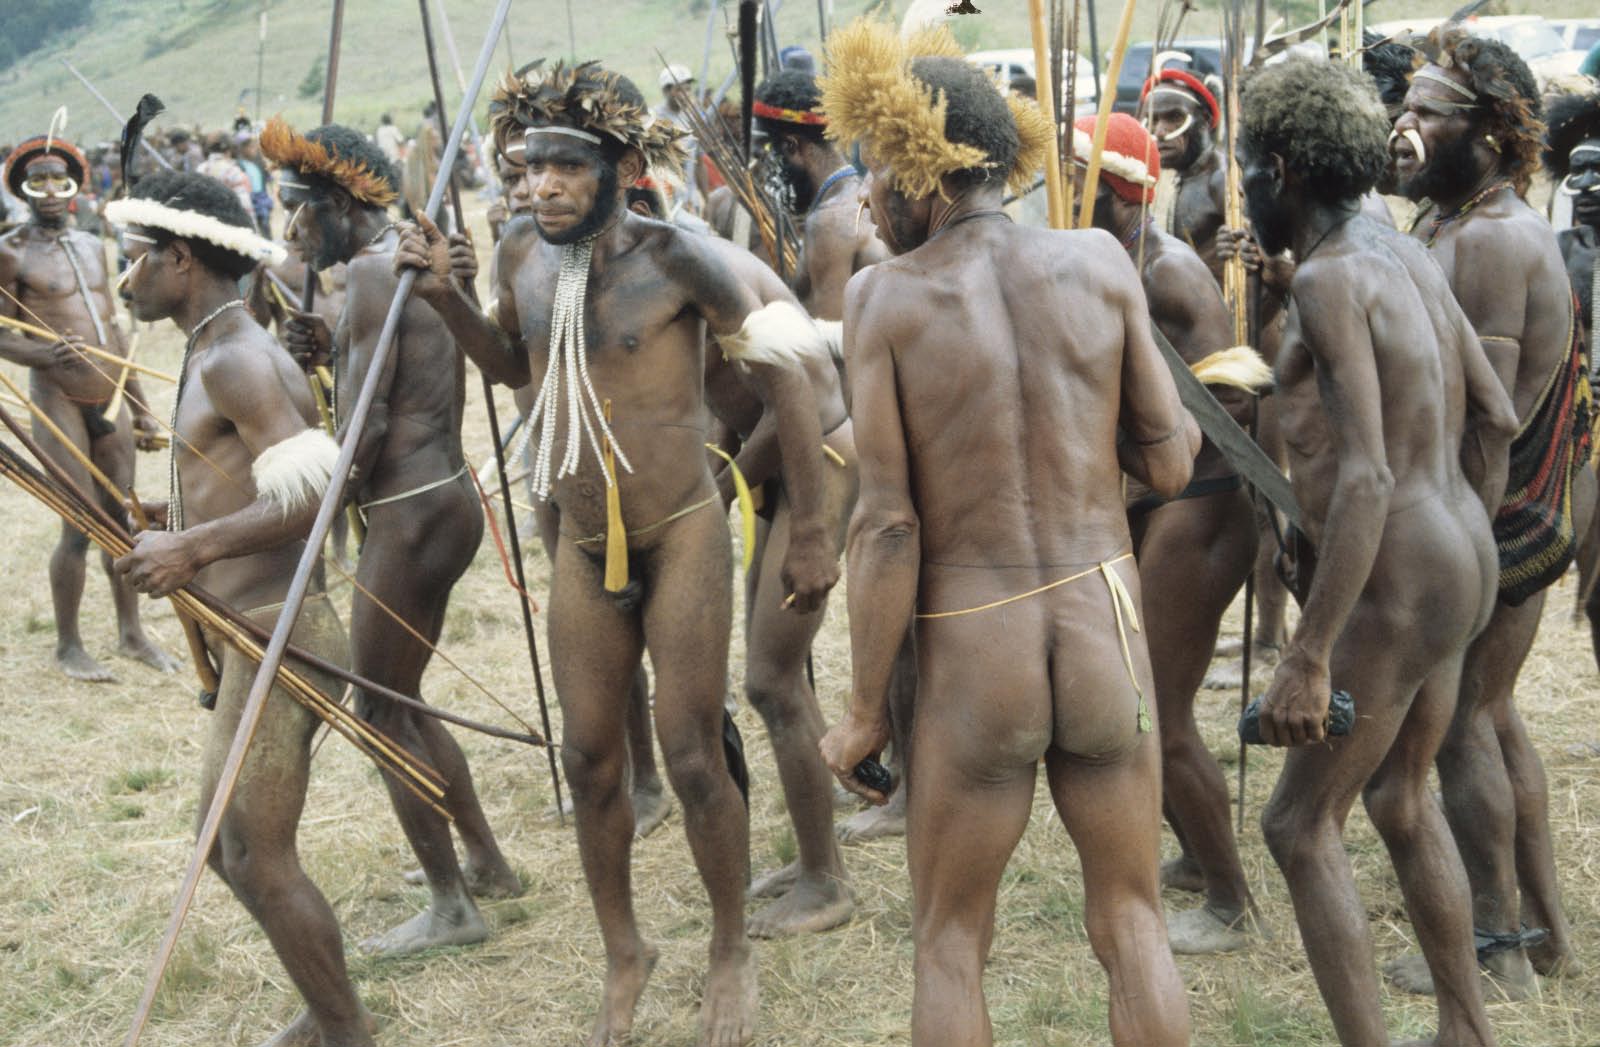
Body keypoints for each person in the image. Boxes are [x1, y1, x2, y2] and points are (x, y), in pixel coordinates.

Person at [397, 60, 839, 1046]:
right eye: (528, 167)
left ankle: (729, 949)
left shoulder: (680, 259)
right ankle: (623, 951)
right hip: (582, 541)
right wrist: (445, 298)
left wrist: (809, 525)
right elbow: (510, 364)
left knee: (690, 755)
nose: (540, 186)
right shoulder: (519, 250)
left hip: (681, 532)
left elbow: (789, 379)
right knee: (591, 759)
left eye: (565, 168)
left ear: (625, 168)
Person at [816, 23, 1194, 1046]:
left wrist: (862, 712)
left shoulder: (882, 298)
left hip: (979, 642)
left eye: (875, 174)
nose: (866, 202)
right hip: (1102, 624)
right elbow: (1170, 464)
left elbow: (887, 524)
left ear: (920, 172)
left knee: (949, 941)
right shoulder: (1100, 260)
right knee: (1133, 919)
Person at [1239, 56, 1519, 1046]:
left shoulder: (1329, 278)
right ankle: (1465, 1030)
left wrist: (1309, 653)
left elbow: (1364, 477)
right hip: (1461, 554)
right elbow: (1495, 415)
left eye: (1247, 169)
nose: (1245, 191)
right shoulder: (1404, 253)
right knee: (1399, 795)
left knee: (1297, 825)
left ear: (1279, 168)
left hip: (1400, 572)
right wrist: (1454, 536)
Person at [107, 169, 375, 1047]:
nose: (126, 277)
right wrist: (177, 518)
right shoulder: (210, 347)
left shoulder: (236, 357)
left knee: (256, 853)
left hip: (285, 634)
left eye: (137, 258)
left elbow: (318, 494)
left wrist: (192, 549)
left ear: (181, 259)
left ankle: (346, 1032)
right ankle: (330, 1014)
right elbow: (250, 482)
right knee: (228, 848)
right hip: (248, 635)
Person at [262, 117, 524, 957]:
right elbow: (398, 375)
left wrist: (317, 510)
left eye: (302, 210)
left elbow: (371, 423)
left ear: (342, 203)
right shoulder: (403, 260)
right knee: (400, 696)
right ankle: (485, 862)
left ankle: (452, 905)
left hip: (410, 509)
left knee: (378, 709)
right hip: (443, 497)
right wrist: (328, 351)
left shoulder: (379, 272)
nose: (294, 230)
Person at [1388, 27, 1592, 995]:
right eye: (1405, 106)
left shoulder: (1493, 240)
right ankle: (1545, 937)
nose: (1403, 124)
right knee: (1492, 719)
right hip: (1492, 517)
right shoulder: (1457, 223)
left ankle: (1499, 950)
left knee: (1464, 723)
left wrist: (1455, 561)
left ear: (1490, 133)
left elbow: (1488, 425)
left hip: (1498, 519)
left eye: (1426, 112)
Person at [1072, 112, 1269, 954]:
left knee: (1160, 707)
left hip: (1208, 502)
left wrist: (1153, 455)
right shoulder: (1116, 261)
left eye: (1078, 179)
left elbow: (1238, 394)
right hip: (1168, 500)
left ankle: (1232, 901)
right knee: (1137, 696)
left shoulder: (1169, 270)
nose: (1065, 194)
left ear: (1116, 190)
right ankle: (1195, 856)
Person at [0, 135, 173, 682]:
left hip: (111, 393)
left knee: (124, 517)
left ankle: (132, 633)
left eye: (60, 179)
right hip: (58, 398)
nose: (51, 190)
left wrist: (139, 405)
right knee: (78, 523)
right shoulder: (10, 251)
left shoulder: (92, 243)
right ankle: (69, 646)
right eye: (39, 181)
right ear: (23, 189)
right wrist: (42, 354)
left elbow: (112, 327)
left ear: (74, 186)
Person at [751, 69, 889, 320]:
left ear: (791, 146)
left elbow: (830, 336)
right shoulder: (853, 195)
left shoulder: (828, 222)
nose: (762, 170)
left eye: (763, 155)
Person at [1545, 88, 1600, 663]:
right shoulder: (1559, 248)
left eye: (1599, 172)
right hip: (1583, 437)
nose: (1587, 187)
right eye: (1577, 172)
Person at [1139, 62, 1228, 283]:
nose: (1160, 132)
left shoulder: (1221, 179)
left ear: (1205, 120)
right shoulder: (1161, 177)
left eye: (1174, 118)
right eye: (1153, 120)